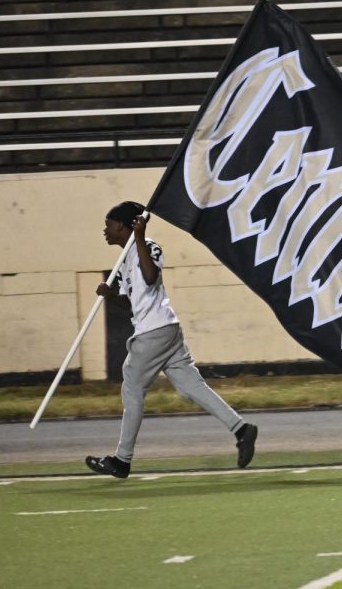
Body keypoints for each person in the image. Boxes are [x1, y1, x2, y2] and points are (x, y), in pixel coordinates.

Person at [85, 201, 258, 479]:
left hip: (155, 331)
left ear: (121, 226)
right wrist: (111, 296)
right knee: (192, 387)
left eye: (108, 225)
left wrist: (139, 237)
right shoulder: (124, 259)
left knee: (132, 386)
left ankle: (122, 460)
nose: (105, 231)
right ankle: (241, 429)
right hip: (163, 330)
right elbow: (135, 304)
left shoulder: (147, 245)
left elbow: (151, 277)